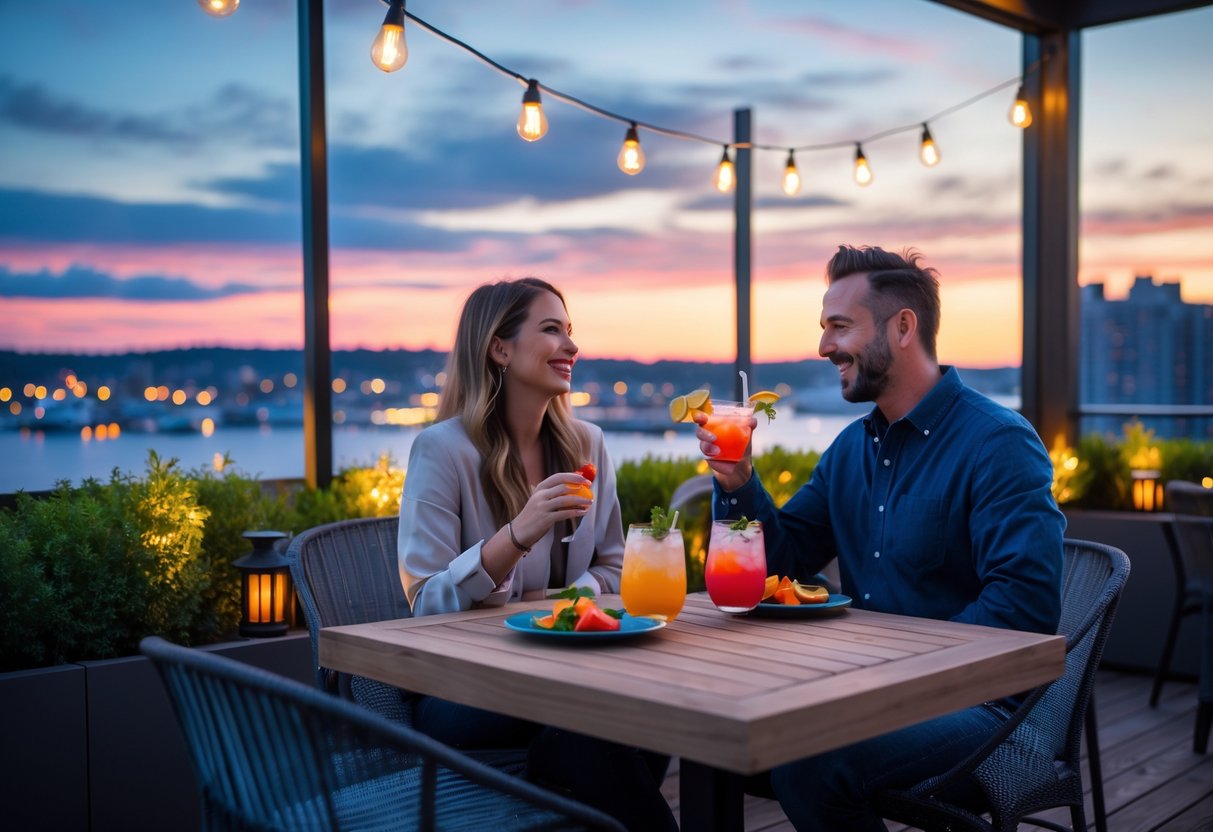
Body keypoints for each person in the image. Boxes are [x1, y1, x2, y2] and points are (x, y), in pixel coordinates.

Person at [696, 245, 1065, 831]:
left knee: (809, 766)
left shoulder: (999, 444)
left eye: (840, 327)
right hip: (873, 693)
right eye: (824, 328)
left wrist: (893, 669)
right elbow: (784, 558)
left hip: (989, 710)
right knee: (713, 739)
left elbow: (1023, 610)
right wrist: (738, 479)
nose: (823, 347)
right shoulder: (850, 450)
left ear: (902, 327)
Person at [398, 276, 677, 831]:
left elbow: (614, 566)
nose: (572, 347)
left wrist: (574, 597)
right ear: (500, 348)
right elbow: (425, 602)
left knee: (640, 712)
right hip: (465, 690)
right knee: (600, 727)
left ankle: (556, 767)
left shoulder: (588, 444)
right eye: (552, 330)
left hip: (565, 678)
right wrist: (516, 536)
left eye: (570, 331)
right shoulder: (441, 451)